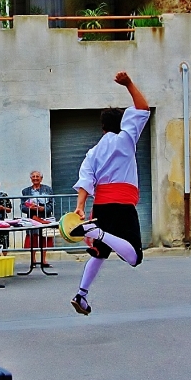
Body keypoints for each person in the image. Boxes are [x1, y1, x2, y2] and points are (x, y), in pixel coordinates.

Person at [68, 71, 150, 315]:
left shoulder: (93, 151)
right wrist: (129, 84)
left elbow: (86, 179)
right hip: (122, 204)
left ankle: (81, 295)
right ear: (123, 122)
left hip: (101, 205)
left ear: (102, 126)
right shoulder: (126, 138)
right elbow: (143, 108)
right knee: (134, 256)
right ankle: (97, 232)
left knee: (100, 252)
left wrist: (80, 207)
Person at [21, 171, 54, 266]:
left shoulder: (48, 189)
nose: (35, 178)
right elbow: (22, 206)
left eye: (37, 176)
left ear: (41, 178)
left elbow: (52, 204)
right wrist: (28, 208)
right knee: (33, 238)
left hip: (44, 217)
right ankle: (33, 260)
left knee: (44, 238)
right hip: (32, 217)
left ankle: (43, 260)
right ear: (31, 179)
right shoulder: (25, 191)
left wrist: (43, 208)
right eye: (33, 177)